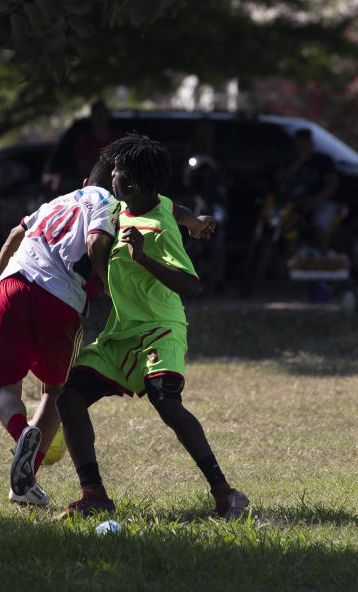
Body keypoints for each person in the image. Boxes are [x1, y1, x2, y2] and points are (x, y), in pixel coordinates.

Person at [0, 155, 217, 506]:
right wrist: (108, 280)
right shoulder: (111, 202)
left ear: (84, 182)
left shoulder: (57, 200)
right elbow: (97, 241)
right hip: (59, 297)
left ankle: (21, 435)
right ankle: (30, 476)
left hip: (11, 284)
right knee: (56, 393)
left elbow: (14, 233)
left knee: (6, 390)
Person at [56, 132, 248, 521]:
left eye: (117, 172)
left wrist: (143, 258)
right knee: (69, 398)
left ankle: (226, 493)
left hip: (161, 328)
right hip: (122, 332)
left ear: (134, 183)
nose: (111, 177)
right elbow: (172, 204)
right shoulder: (126, 206)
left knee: (166, 402)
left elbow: (192, 287)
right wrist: (194, 219)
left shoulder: (158, 230)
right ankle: (93, 494)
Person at [277, 128, 340, 253]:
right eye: (300, 143)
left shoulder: (322, 160)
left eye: (306, 143)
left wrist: (316, 200)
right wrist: (300, 160)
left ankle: (324, 258)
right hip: (293, 204)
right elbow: (281, 178)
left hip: (321, 202)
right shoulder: (289, 159)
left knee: (319, 225)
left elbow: (332, 184)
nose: (303, 146)